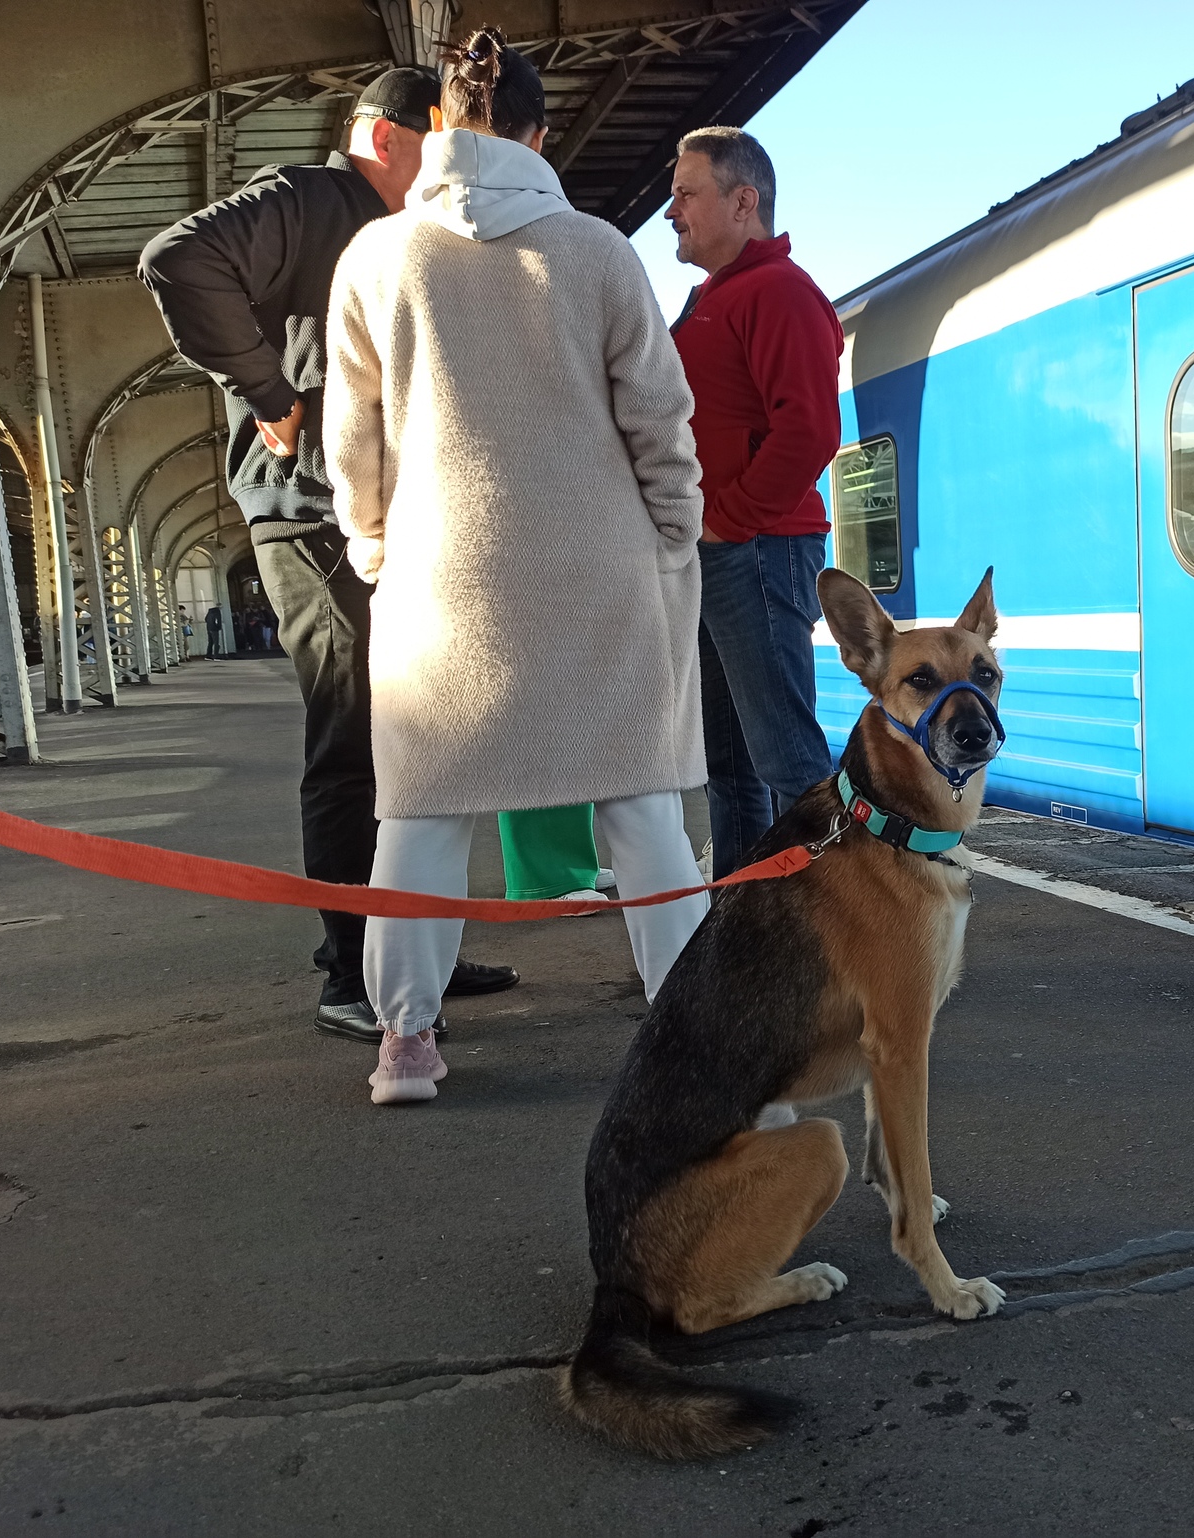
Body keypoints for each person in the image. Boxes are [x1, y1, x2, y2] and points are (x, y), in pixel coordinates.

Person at [325, 29, 710, 1106]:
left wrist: (372, 545)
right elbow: (660, 422)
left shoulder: (374, 259)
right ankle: (685, 1035)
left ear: (439, 130)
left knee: (422, 817)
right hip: (598, 572)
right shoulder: (595, 250)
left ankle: (406, 1042)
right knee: (642, 815)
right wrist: (669, 535)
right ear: (540, 136)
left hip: (439, 583)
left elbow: (351, 440)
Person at [139, 67, 519, 1044]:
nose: (445, 168)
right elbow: (177, 258)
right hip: (308, 518)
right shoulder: (306, 198)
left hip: (386, 523)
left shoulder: (402, 232)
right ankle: (353, 973)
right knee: (351, 740)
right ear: (388, 137)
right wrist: (268, 394)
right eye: (434, 146)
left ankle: (411, 951)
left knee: (416, 740)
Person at [665, 126, 844, 873]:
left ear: (745, 201)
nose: (671, 212)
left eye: (686, 194)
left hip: (758, 550)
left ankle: (845, 938)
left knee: (789, 763)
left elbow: (809, 433)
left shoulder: (778, 290)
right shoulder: (716, 296)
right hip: (726, 553)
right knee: (733, 771)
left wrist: (727, 520)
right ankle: (740, 930)